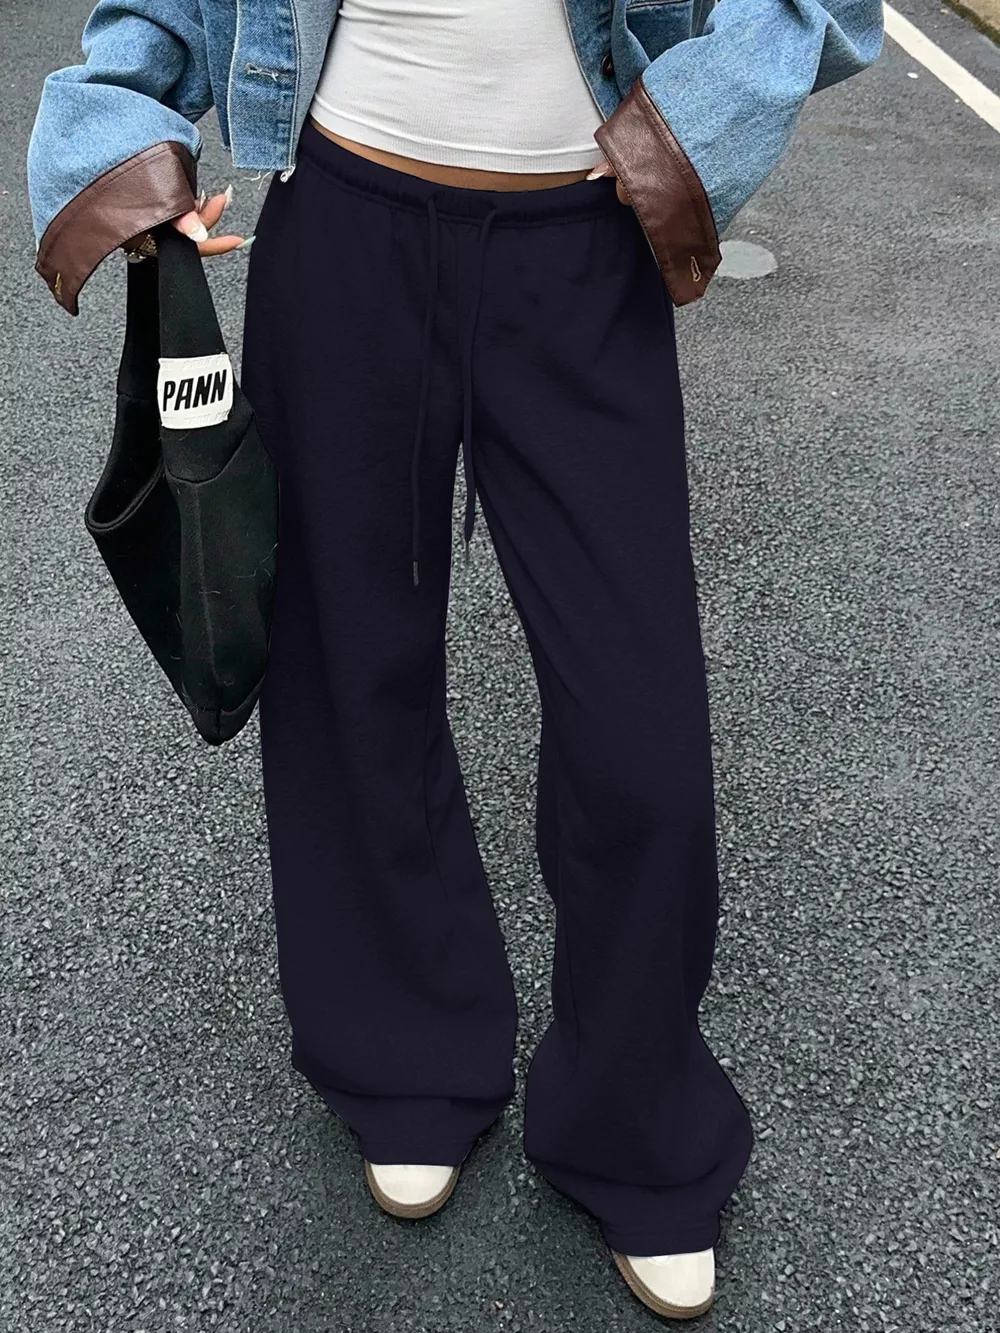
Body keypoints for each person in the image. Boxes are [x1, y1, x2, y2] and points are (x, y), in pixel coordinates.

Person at [27, 0, 883, 1318]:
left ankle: (637, 1122)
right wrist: (125, 131)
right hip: (344, 226)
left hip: (585, 245)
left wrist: (691, 130)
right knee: (346, 676)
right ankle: (402, 1058)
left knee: (637, 729)